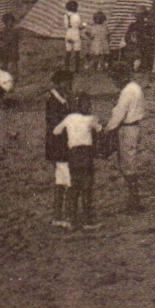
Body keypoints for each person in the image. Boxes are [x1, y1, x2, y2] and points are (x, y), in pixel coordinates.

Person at [53, 93, 102, 231]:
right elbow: (100, 129)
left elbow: (56, 131)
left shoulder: (69, 118)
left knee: (74, 186)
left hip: (73, 154)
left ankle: (71, 219)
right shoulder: (90, 119)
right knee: (87, 187)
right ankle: (87, 220)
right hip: (86, 154)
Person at [103, 64, 145, 212]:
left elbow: (119, 114)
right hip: (134, 127)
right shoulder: (136, 87)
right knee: (129, 162)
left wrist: (107, 129)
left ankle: (134, 201)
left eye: (116, 79)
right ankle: (134, 199)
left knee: (127, 164)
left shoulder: (126, 92)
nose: (115, 83)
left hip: (127, 128)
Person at [45, 69, 75, 225]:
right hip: (59, 145)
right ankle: (68, 215)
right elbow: (55, 124)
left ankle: (58, 215)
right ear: (60, 83)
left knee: (60, 179)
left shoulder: (61, 98)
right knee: (68, 179)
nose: (69, 85)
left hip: (59, 144)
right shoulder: (54, 100)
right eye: (67, 82)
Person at [0, 12, 23, 86]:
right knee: (4, 65)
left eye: (11, 21)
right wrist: (1, 44)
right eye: (8, 21)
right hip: (5, 51)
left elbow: (15, 40)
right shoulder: (2, 31)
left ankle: (15, 79)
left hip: (12, 50)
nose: (10, 23)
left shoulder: (14, 31)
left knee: (14, 65)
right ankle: (4, 79)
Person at [61, 0, 84, 72]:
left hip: (68, 33)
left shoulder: (65, 15)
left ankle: (67, 67)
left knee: (68, 51)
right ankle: (77, 68)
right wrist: (83, 26)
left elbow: (65, 25)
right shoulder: (77, 16)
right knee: (77, 52)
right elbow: (78, 25)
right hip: (75, 34)